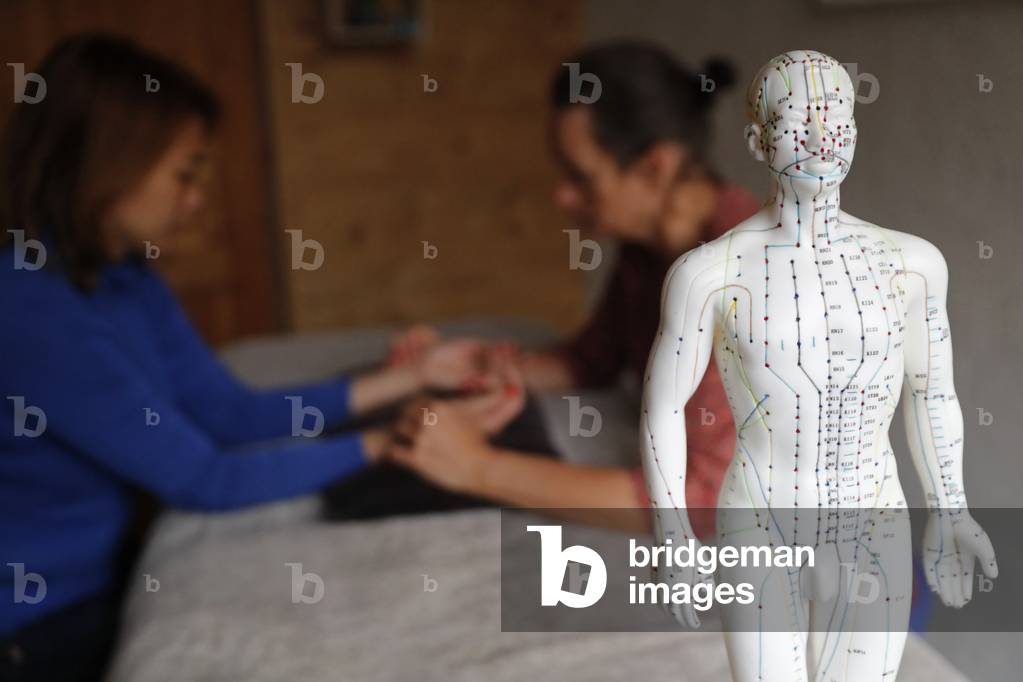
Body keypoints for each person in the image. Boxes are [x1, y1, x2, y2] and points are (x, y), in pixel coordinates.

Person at [0, 34, 493, 682]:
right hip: (40, 620)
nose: (196, 198)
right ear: (110, 163)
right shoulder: (30, 308)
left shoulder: (124, 275)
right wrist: (387, 443)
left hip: (108, 569)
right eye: (184, 173)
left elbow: (226, 412)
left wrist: (408, 378)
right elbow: (205, 479)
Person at [387, 43, 761, 533]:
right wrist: (480, 367)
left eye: (580, 178)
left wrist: (476, 468)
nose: (561, 195)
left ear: (655, 168)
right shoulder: (648, 247)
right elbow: (593, 359)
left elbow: (705, 500)